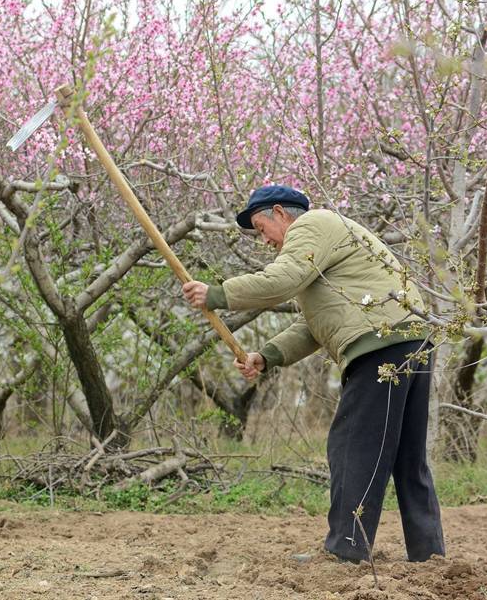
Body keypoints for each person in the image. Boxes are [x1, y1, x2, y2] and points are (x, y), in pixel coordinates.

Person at [181, 184, 445, 563]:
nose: (263, 240)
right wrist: (267, 356)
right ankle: (429, 555)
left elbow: (280, 281)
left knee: (352, 446)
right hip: (408, 339)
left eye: (261, 227)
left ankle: (346, 550)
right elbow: (314, 326)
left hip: (380, 345)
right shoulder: (329, 245)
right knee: (407, 458)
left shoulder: (312, 225)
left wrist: (218, 294)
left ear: (281, 213)